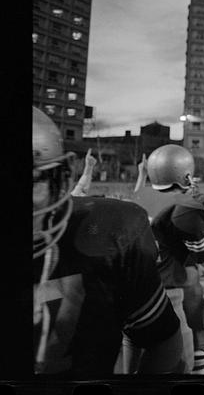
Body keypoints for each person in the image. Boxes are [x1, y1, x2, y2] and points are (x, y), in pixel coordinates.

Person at [32, 107, 186, 376]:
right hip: (163, 283)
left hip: (137, 281)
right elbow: (203, 253)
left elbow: (85, 193)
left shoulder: (131, 206)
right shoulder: (186, 205)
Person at [143, 141, 204, 375]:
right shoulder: (187, 210)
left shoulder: (138, 199)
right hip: (181, 288)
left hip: (143, 294)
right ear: (185, 175)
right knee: (193, 349)